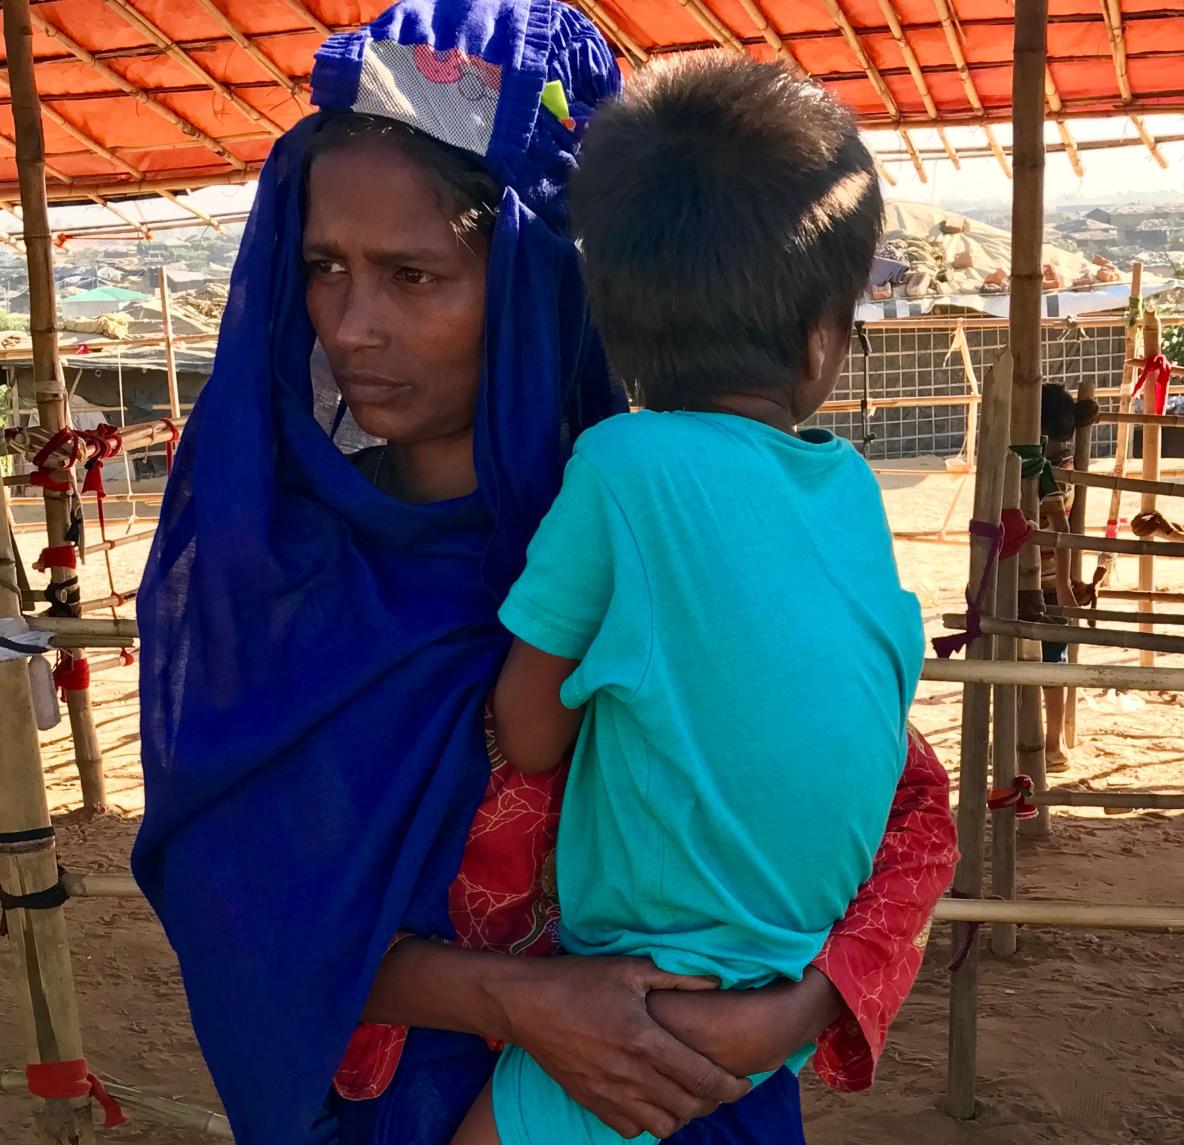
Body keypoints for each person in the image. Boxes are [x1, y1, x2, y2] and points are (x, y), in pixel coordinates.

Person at [133, 3, 957, 1144]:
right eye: (325, 267)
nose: (352, 325)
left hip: (678, 1097)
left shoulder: (667, 532)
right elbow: (228, 895)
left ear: (535, 282)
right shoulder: (266, 580)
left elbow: (897, 802)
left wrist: (798, 1009)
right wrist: (515, 997)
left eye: (413, 275)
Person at [446, 55, 925, 1145]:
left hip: (644, 999)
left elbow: (524, 731)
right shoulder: (849, 484)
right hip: (794, 975)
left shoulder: (622, 466)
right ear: (821, 335)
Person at [1038, 382, 1099, 771]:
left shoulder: (1045, 473)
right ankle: (1048, 741)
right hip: (1044, 580)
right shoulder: (1067, 465)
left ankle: (1051, 743)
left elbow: (1059, 527)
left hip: (1042, 582)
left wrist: (1061, 585)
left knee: (1048, 667)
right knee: (1049, 664)